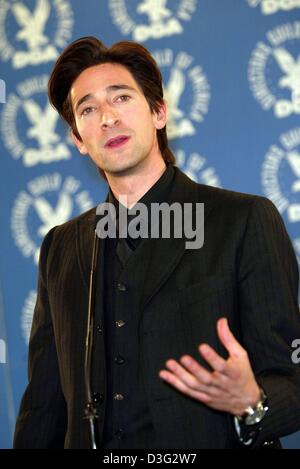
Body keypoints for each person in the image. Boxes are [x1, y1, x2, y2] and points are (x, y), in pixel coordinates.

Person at [14, 36, 300, 449]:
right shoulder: (62, 247)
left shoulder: (242, 221)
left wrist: (253, 402)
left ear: (159, 112)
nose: (107, 118)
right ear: (78, 139)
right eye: (88, 109)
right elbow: (43, 406)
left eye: (121, 97)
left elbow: (291, 377)